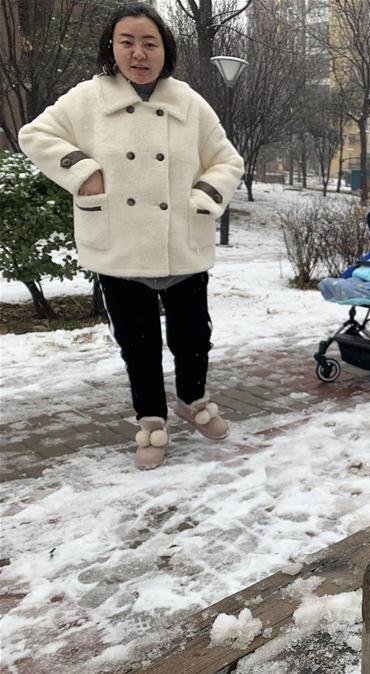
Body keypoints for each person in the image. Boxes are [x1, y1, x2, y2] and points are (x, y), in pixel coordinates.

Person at [18, 2, 245, 469]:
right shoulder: (88, 99)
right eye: (128, 42)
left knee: (194, 337)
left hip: (182, 242)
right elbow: (35, 135)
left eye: (150, 43)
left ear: (165, 49)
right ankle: (151, 423)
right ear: (112, 47)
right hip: (120, 245)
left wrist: (205, 194)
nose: (139, 53)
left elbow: (227, 160)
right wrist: (83, 173)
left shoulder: (189, 101)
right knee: (137, 343)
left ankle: (193, 402)